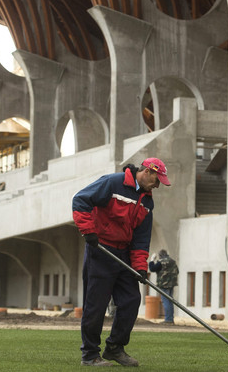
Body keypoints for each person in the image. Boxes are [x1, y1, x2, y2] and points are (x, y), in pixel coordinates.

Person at [72, 157, 171, 367]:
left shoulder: (147, 202)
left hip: (124, 254)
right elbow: (80, 199)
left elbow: (141, 238)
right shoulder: (112, 183)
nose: (158, 185)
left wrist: (140, 268)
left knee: (131, 301)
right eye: (157, 180)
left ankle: (115, 348)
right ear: (147, 172)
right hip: (100, 250)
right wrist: (88, 231)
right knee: (95, 306)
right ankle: (90, 355)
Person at [148, 249, 179, 324]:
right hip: (172, 284)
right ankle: (171, 319)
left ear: (160, 255)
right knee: (170, 301)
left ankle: (168, 319)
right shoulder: (173, 261)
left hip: (164, 284)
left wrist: (152, 260)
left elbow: (152, 269)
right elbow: (177, 271)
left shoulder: (161, 262)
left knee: (165, 301)